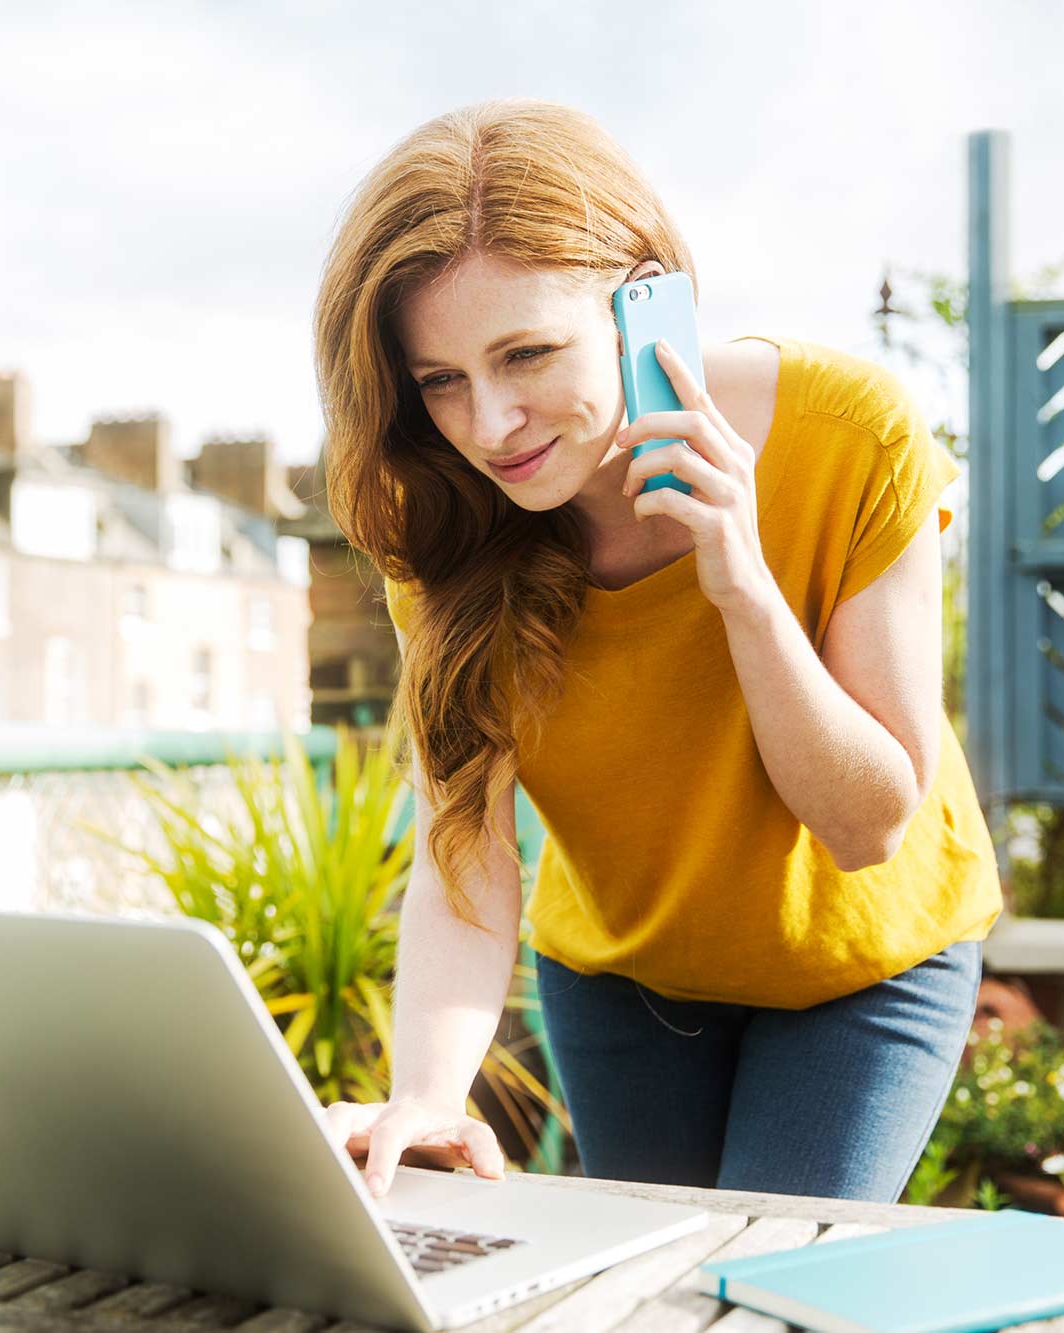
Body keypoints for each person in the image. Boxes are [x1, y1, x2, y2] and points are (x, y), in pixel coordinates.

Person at [311, 98, 1002, 1205]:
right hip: (621, 978)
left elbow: (869, 823)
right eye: (439, 379)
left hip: (862, 968)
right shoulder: (441, 520)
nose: (491, 425)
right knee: (650, 1295)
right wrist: (433, 1091)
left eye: (527, 352)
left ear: (648, 305)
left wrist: (741, 585)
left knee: (760, 1285)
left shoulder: (849, 436)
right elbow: (468, 844)